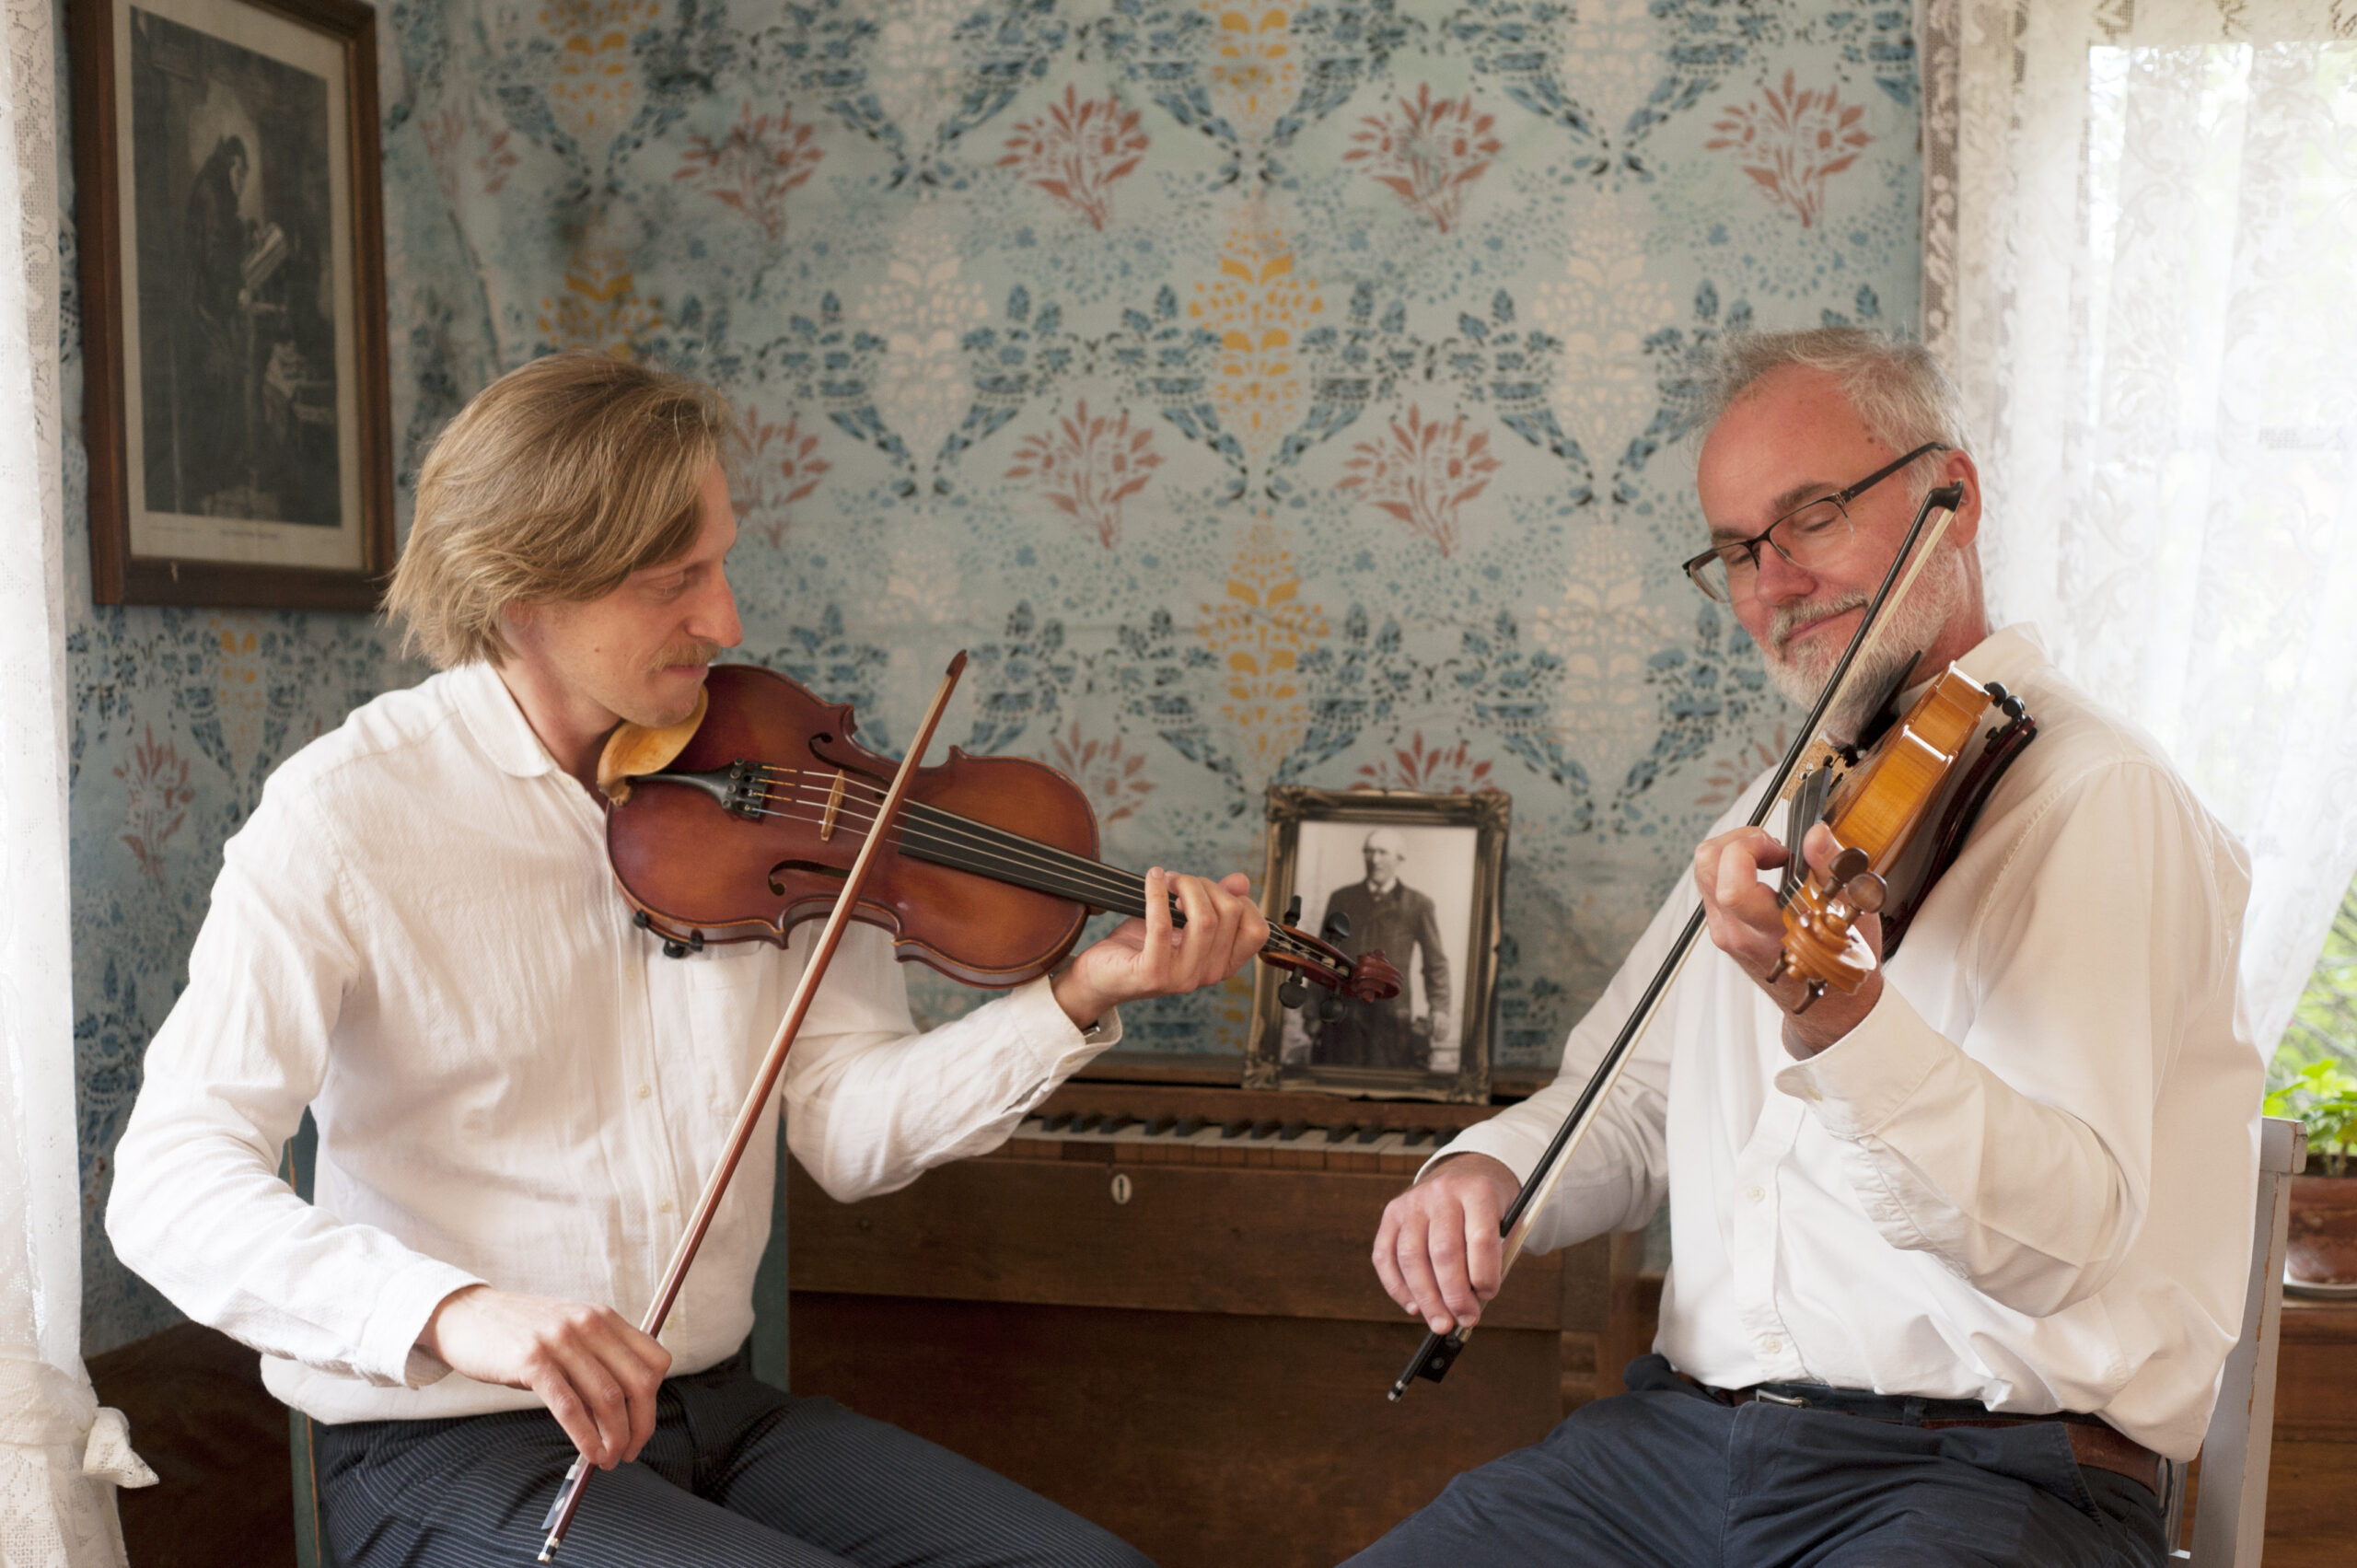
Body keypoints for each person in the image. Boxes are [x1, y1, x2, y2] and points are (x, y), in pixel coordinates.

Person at [106, 353, 1271, 1568]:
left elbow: (847, 1128)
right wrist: (458, 1311)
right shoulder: (347, 814)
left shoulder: (769, 788)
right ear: (524, 597)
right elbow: (171, 1181)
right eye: (676, 581)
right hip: (449, 1450)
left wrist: (1079, 990)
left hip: (714, 1410)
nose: (727, 620)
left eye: (719, 560)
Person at [1356, 328, 2260, 1567]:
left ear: (1956, 496)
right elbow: (1626, 1097)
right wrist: (1486, 1170)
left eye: (1815, 515)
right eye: (1739, 547)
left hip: (1985, 1475)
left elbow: (2064, 1239)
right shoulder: (1779, 805)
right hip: (1675, 1454)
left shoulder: (2097, 800)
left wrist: (1847, 1025)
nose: (1777, 579)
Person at [1309, 829, 1452, 1070]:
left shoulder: (1418, 905)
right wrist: (1311, 1011)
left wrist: (1439, 1008)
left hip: (1392, 1020)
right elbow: (1322, 957)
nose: (1375, 860)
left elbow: (1435, 962)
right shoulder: (1342, 900)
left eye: (1383, 852)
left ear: (1399, 858)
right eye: (1369, 851)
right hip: (1344, 1018)